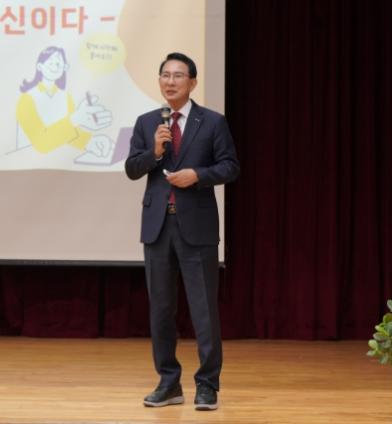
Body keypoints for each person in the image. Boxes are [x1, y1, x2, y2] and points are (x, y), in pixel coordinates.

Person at [124, 52, 239, 411]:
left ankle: (207, 385)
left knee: (203, 309)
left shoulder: (212, 122)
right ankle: (168, 382)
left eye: (178, 75)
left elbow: (230, 167)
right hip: (158, 228)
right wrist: (155, 152)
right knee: (161, 310)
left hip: (197, 228)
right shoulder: (147, 123)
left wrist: (198, 176)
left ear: (192, 82)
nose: (170, 81)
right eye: (165, 75)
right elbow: (132, 168)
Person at [16, 46, 112, 157]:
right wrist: (76, 119)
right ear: (40, 67)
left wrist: (89, 142)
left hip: (57, 158)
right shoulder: (27, 99)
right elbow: (41, 143)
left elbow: (68, 133)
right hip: (28, 159)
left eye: (58, 64)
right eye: (50, 63)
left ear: (65, 68)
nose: (54, 67)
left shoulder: (66, 97)